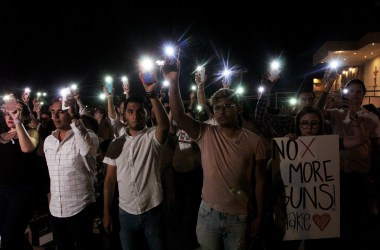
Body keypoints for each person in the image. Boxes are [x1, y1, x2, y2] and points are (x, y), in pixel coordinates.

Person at [166, 59, 267, 249]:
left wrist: (259, 217)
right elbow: (179, 117)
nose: (222, 111)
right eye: (217, 107)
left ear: (238, 108)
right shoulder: (206, 133)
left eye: (228, 106)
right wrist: (173, 81)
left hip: (240, 216)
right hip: (208, 214)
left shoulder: (255, 141)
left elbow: (260, 181)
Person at [102, 72, 170, 250]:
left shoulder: (151, 137)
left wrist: (151, 93)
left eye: (140, 112)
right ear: (124, 115)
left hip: (152, 210)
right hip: (125, 213)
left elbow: (164, 126)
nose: (135, 116)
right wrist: (106, 212)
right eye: (130, 112)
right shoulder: (116, 143)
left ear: (147, 114)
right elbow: (109, 181)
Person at [318, 78, 380, 249]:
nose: (354, 95)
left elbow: (376, 148)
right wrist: (327, 88)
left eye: (358, 92)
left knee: (358, 217)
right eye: (350, 91)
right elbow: (315, 112)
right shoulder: (337, 114)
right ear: (345, 94)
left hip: (360, 173)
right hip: (336, 172)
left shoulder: (372, 118)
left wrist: (374, 175)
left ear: (363, 96)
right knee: (338, 216)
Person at [44, 96, 99, 250]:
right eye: (53, 112)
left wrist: (75, 118)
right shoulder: (49, 141)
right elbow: (52, 175)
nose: (54, 116)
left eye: (60, 112)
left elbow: (87, 149)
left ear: (71, 111)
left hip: (80, 207)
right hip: (56, 209)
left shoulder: (88, 135)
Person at [0, 100, 39, 250]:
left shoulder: (31, 133)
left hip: (22, 191)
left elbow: (27, 148)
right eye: (6, 114)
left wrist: (17, 121)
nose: (9, 117)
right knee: (9, 236)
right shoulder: (2, 135)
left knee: (10, 236)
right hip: (2, 190)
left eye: (13, 113)